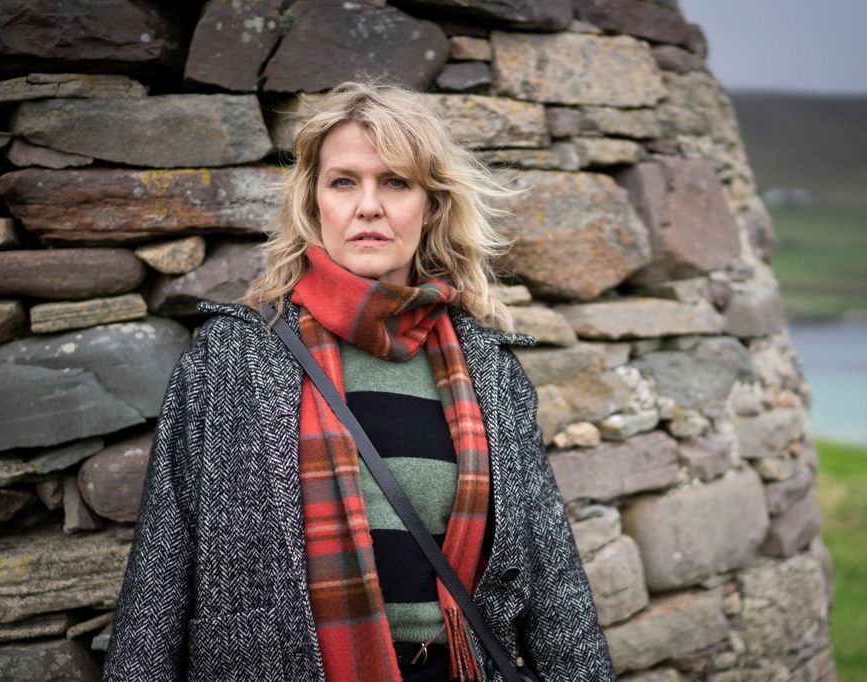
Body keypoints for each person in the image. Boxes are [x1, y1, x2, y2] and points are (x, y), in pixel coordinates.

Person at [102, 80, 614, 682]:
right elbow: (164, 568)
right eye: (344, 181)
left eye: (395, 182)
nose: (368, 205)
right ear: (314, 202)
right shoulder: (232, 357)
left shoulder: (490, 368)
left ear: (431, 205)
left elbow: (550, 574)